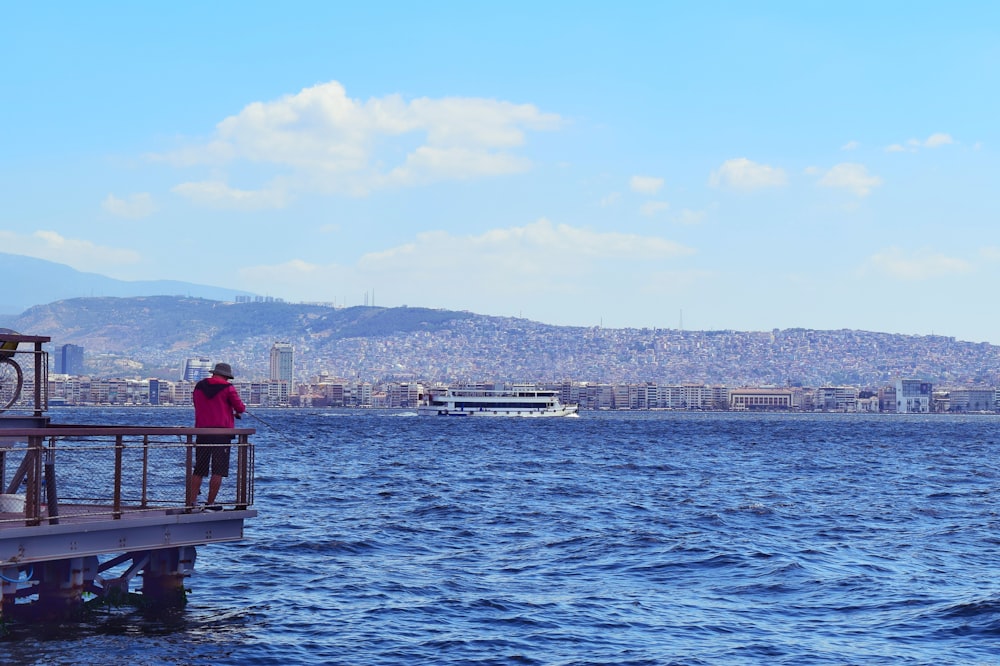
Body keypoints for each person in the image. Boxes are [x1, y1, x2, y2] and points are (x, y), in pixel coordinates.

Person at [190, 362, 246, 511]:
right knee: (218, 470)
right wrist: (233, 413)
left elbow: (199, 405)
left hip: (202, 432)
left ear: (214, 373)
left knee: (199, 469)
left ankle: (191, 502)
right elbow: (240, 407)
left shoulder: (199, 386)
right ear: (226, 376)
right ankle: (210, 503)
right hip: (222, 434)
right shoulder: (228, 388)